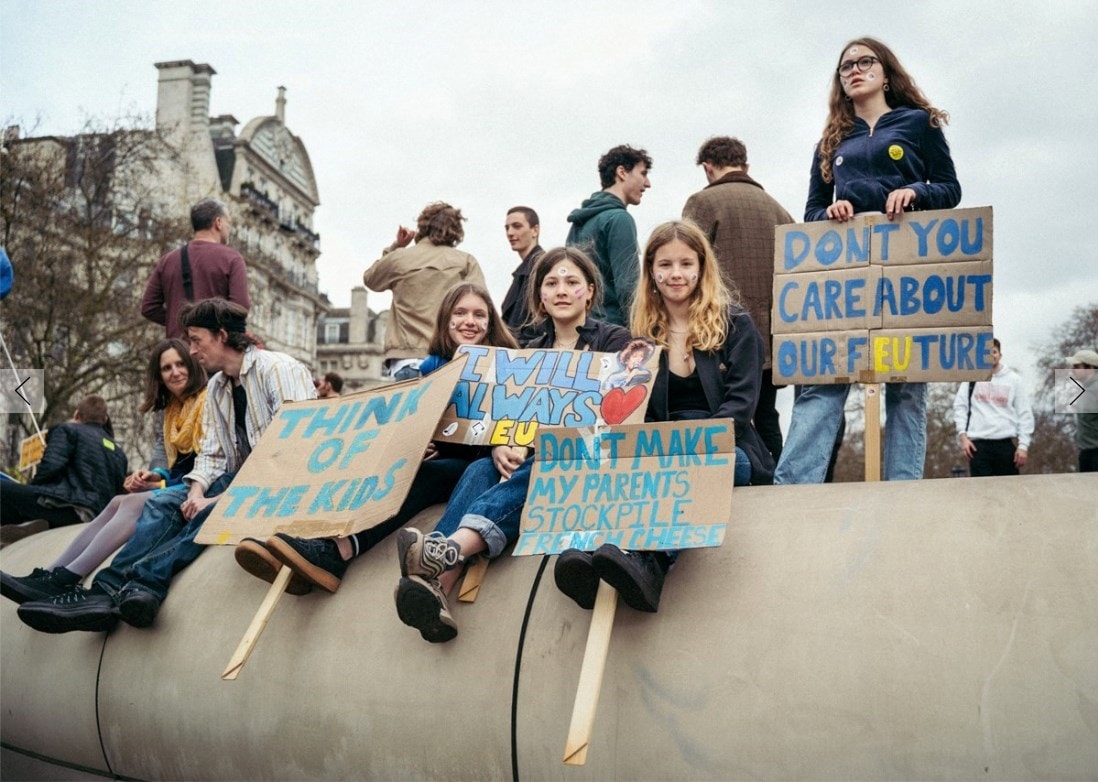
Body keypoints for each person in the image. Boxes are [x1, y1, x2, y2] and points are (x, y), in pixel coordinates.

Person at [17, 299, 316, 634]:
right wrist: (197, 490)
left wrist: (213, 501)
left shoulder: (278, 370)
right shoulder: (218, 387)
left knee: (200, 514)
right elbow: (212, 456)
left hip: (277, 483)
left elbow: (290, 452)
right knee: (161, 504)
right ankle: (104, 591)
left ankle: (143, 586)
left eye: (195, 340)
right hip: (235, 479)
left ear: (221, 335)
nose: (192, 350)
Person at [393, 247, 630, 642]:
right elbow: (512, 417)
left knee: (540, 466)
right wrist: (501, 444)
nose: (562, 291)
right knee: (480, 468)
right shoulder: (526, 349)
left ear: (589, 292)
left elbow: (619, 411)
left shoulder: (614, 339)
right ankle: (439, 585)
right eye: (551, 283)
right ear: (539, 296)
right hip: (526, 454)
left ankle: (444, 553)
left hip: (581, 459)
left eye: (572, 283)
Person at [234, 282, 518, 595]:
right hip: (445, 461)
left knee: (448, 472)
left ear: (491, 321)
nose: (469, 321)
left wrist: (500, 443)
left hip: (485, 466)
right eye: (460, 312)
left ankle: (417, 563)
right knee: (396, 470)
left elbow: (524, 421)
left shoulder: (511, 364)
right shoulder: (432, 367)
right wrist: (418, 439)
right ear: (445, 320)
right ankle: (326, 547)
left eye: (479, 314)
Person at [555, 220, 774, 614]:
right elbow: (635, 409)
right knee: (614, 461)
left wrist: (692, 445)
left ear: (702, 268)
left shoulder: (737, 325)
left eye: (686, 264)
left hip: (725, 444)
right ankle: (588, 556)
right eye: (666, 265)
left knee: (722, 463)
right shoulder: (639, 336)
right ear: (651, 272)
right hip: (657, 443)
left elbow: (741, 406)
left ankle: (651, 562)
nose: (676, 274)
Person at [776, 37, 962, 484]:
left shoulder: (920, 124)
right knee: (823, 379)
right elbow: (812, 211)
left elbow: (951, 190)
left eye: (865, 62)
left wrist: (916, 191)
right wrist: (831, 212)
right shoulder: (831, 140)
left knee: (907, 382)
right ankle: (794, 486)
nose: (855, 70)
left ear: (885, 70)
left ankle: (901, 490)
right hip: (849, 276)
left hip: (906, 272)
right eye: (846, 67)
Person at [1, 339, 207, 604]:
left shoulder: (207, 401)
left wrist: (160, 486)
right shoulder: (169, 415)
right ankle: (50, 574)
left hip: (201, 486)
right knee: (117, 501)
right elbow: (182, 466)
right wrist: (157, 477)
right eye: (167, 368)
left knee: (130, 502)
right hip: (101, 502)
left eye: (180, 364)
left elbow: (206, 464)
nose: (175, 372)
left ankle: (67, 578)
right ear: (160, 377)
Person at [683, 136, 794, 461]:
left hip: (719, 333)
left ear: (708, 167)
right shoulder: (779, 209)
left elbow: (688, 259)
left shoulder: (702, 203)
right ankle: (780, 483)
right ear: (744, 164)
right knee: (766, 414)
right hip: (774, 336)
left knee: (724, 410)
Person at [362, 202, 486, 381]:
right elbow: (481, 306)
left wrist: (396, 246)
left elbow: (371, 280)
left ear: (422, 226)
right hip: (449, 358)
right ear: (456, 230)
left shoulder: (399, 258)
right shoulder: (465, 261)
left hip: (407, 360)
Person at [1, 395, 127, 529]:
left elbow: (51, 467)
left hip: (70, 508)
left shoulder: (68, 430)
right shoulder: (118, 452)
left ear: (77, 415)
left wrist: (33, 489)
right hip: (100, 515)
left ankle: (11, 533)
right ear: (104, 419)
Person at [566, 145, 652, 327]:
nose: (647, 183)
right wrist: (641, 331)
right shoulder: (619, 219)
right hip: (612, 330)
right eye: (643, 174)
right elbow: (628, 287)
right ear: (622, 172)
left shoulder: (580, 221)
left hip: (581, 327)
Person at [141, 198, 251, 339]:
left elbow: (148, 307)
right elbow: (240, 307)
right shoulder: (232, 259)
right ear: (218, 223)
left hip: (177, 352)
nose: (230, 229)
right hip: (213, 349)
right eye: (229, 223)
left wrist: (178, 323)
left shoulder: (168, 260)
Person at [951, 339, 1034, 476]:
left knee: (1009, 492)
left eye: (994, 352)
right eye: (987, 352)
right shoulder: (972, 378)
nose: (991, 355)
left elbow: (1024, 413)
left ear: (1000, 355)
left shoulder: (1014, 380)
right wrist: (963, 437)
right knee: (982, 494)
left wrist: (1023, 446)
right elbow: (960, 407)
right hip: (978, 446)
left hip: (1005, 444)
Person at [500, 206, 545, 336]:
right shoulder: (525, 270)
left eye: (517, 226)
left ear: (535, 230)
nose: (510, 232)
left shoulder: (542, 267)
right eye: (507, 228)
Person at [1066, 349, 1098, 472]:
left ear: (1090, 368)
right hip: (1087, 454)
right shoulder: (1086, 389)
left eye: (1077, 366)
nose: (1072, 369)